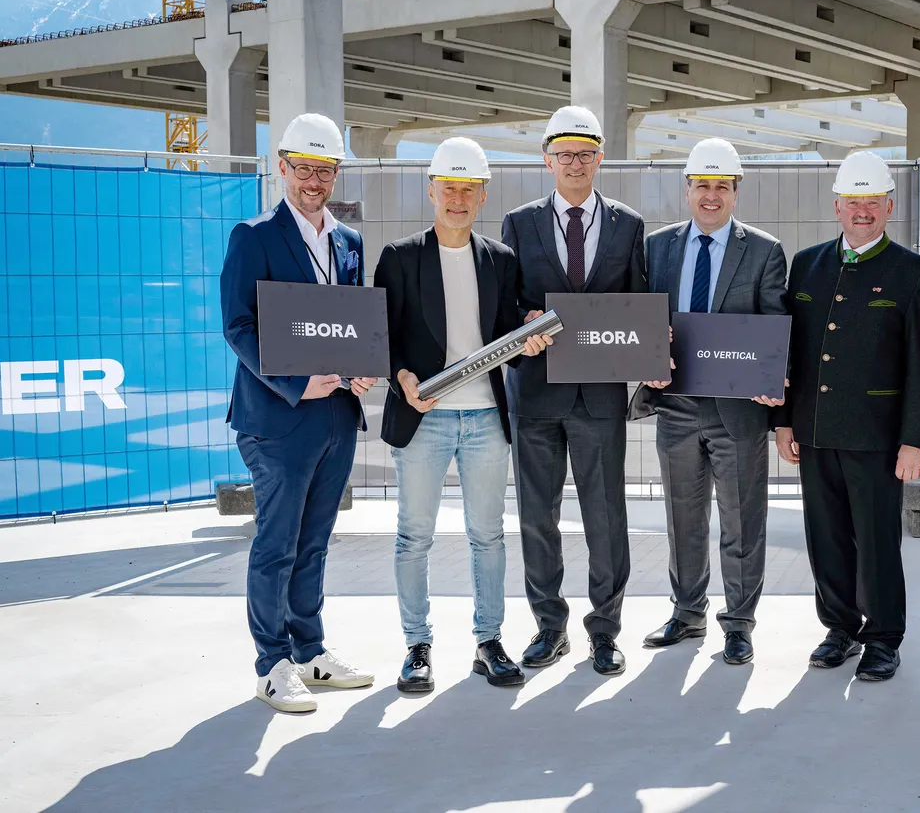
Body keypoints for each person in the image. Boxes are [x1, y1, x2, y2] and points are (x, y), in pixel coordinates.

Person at [374, 138, 555, 694]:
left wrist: (527, 339)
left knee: (488, 536)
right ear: (432, 190)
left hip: (483, 418)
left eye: (468, 190)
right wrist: (402, 379)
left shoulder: (499, 259)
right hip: (423, 417)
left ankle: (488, 642)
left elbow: (504, 331)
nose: (457, 198)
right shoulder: (400, 257)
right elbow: (383, 336)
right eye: (449, 187)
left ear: (482, 197)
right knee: (414, 537)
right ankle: (417, 646)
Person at [221, 113, 378, 713]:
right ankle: (272, 664)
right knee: (277, 544)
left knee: (314, 544)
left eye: (325, 169)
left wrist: (362, 366)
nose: (314, 180)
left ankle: (310, 651)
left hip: (336, 414)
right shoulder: (254, 235)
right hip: (278, 417)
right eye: (304, 168)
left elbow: (346, 322)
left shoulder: (348, 241)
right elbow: (238, 325)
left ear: (336, 172)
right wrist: (294, 381)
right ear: (282, 166)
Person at [773, 151, 920, 681]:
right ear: (837, 206)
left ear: (890, 206)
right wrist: (782, 420)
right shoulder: (807, 264)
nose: (863, 211)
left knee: (876, 541)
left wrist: (916, 440)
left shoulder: (914, 274)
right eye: (854, 202)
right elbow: (789, 352)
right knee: (824, 536)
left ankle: (884, 637)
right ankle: (840, 628)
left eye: (873, 202)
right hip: (814, 430)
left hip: (877, 437)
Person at [627, 138, 787, 666]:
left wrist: (771, 378)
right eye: (702, 186)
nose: (711, 196)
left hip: (738, 411)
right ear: (688, 190)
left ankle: (739, 623)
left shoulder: (764, 251)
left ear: (736, 191)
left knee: (743, 520)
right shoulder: (658, 248)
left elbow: (772, 328)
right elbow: (644, 320)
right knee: (682, 517)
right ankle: (687, 612)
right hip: (675, 406)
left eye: (722, 186)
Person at [502, 105, 647, 676]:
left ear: (599, 158)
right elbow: (505, 302)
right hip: (536, 394)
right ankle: (549, 626)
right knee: (538, 516)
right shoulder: (519, 223)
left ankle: (605, 631)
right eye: (564, 155)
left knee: (606, 517)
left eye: (585, 154)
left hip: (600, 397)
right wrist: (523, 325)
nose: (575, 163)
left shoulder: (628, 225)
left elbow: (637, 305)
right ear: (547, 161)